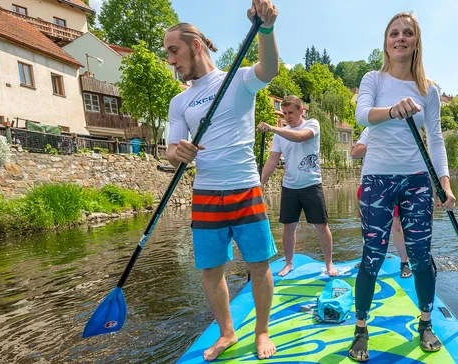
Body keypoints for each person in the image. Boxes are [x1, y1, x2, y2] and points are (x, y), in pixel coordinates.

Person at [164, 1, 280, 360]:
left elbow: (270, 69)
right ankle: (227, 333)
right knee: (210, 270)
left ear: (195, 46)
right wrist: (178, 153)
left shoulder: (238, 80)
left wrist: (266, 29)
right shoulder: (178, 102)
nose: (170, 60)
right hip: (206, 192)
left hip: (245, 187)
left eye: (174, 50)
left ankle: (261, 331)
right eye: (167, 53)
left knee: (258, 266)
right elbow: (170, 151)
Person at [348, 12, 456, 361]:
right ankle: (361, 329)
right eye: (394, 33)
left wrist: (445, 184)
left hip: (417, 181)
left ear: (415, 42)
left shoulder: (429, 90)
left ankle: (426, 322)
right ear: (386, 42)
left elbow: (436, 140)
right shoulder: (372, 79)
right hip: (377, 179)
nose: (400, 38)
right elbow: (362, 116)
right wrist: (393, 111)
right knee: (373, 256)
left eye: (407, 33)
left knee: (422, 257)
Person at [258, 95, 338, 277]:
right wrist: (260, 183)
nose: (287, 117)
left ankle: (329, 264)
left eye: (291, 113)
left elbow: (301, 137)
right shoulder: (280, 135)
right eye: (284, 113)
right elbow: (272, 160)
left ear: (301, 111)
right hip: (289, 187)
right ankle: (289, 263)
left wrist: (273, 129)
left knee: (321, 226)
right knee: (289, 226)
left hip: (311, 185)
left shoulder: (312, 124)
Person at [351, 128, 412, 278]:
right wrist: (379, 144)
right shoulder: (370, 129)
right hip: (371, 183)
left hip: (395, 182)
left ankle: (404, 263)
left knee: (396, 226)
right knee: (369, 225)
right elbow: (355, 153)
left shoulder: (401, 128)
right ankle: (368, 258)